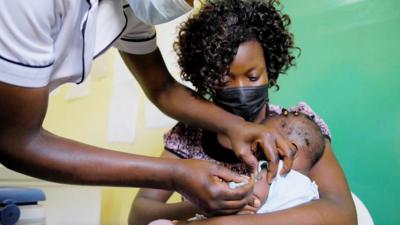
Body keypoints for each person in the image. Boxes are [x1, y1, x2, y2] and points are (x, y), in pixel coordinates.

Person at [0, 0, 298, 215]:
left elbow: (163, 89)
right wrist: (175, 174)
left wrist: (235, 126)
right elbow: (17, 141)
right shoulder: (28, 5)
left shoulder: (129, 10)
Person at [129, 0, 356, 224]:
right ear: (206, 78)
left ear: (270, 69)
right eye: (225, 80)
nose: (240, 89)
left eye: (253, 77)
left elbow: (343, 213)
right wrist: (204, 204)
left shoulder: (297, 130)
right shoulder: (190, 136)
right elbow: (139, 215)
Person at [132, 111, 329, 225]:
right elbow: (138, 215)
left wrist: (222, 198)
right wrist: (200, 203)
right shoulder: (309, 189)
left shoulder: (273, 170)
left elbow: (251, 195)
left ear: (288, 148)